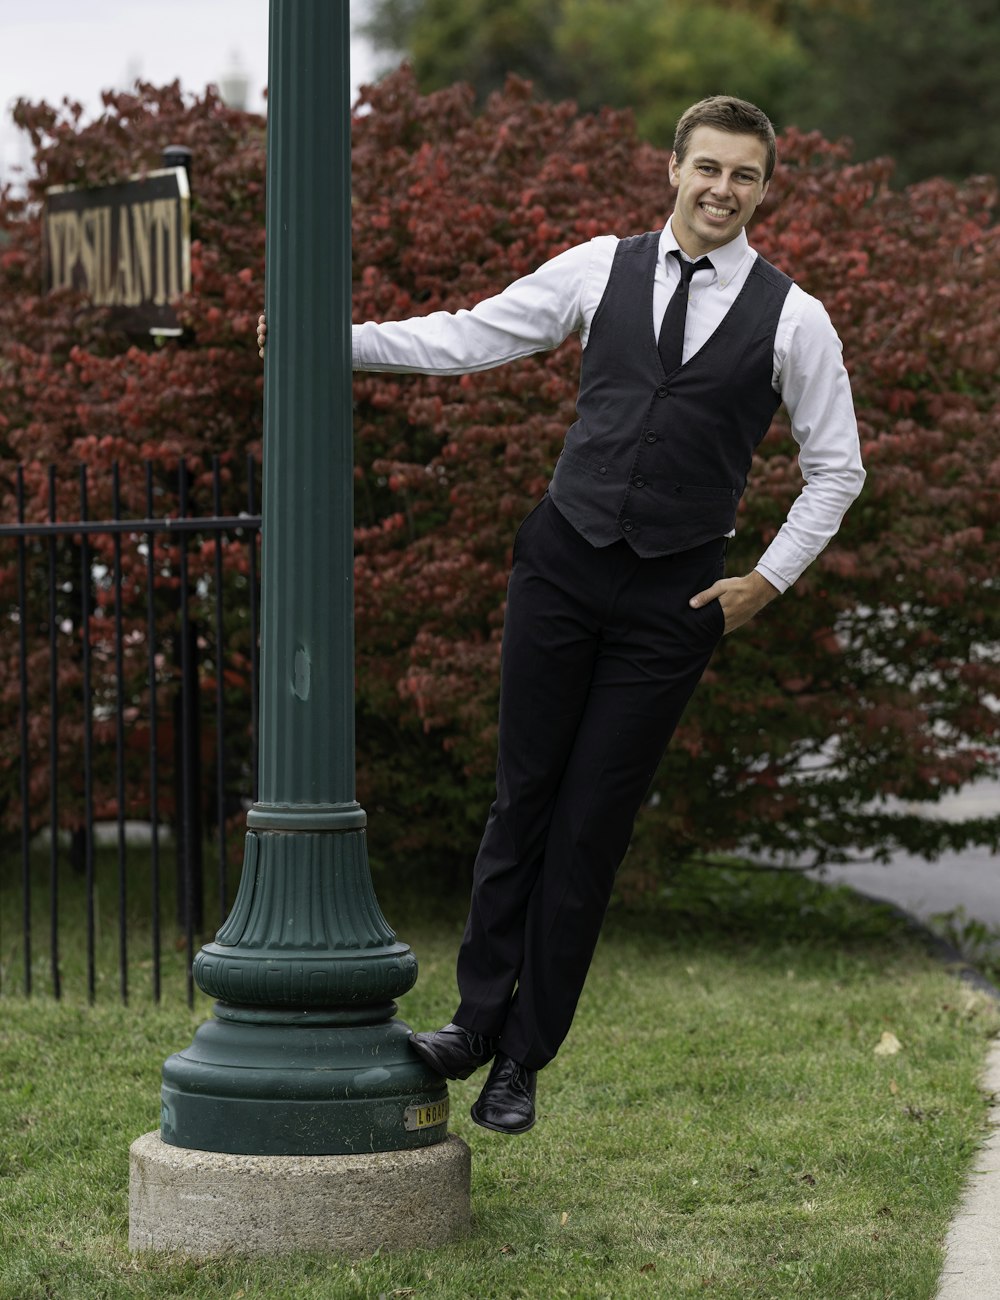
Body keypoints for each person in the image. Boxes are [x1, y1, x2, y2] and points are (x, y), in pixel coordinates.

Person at [257, 95, 865, 1137]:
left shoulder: (794, 316)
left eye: (744, 177)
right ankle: (471, 1022)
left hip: (671, 601)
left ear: (766, 189)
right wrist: (333, 343)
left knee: (589, 830)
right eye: (706, 168)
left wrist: (765, 581)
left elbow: (836, 466)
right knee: (522, 800)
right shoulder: (598, 267)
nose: (721, 190)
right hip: (562, 564)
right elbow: (473, 337)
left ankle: (523, 1058)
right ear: (672, 167)